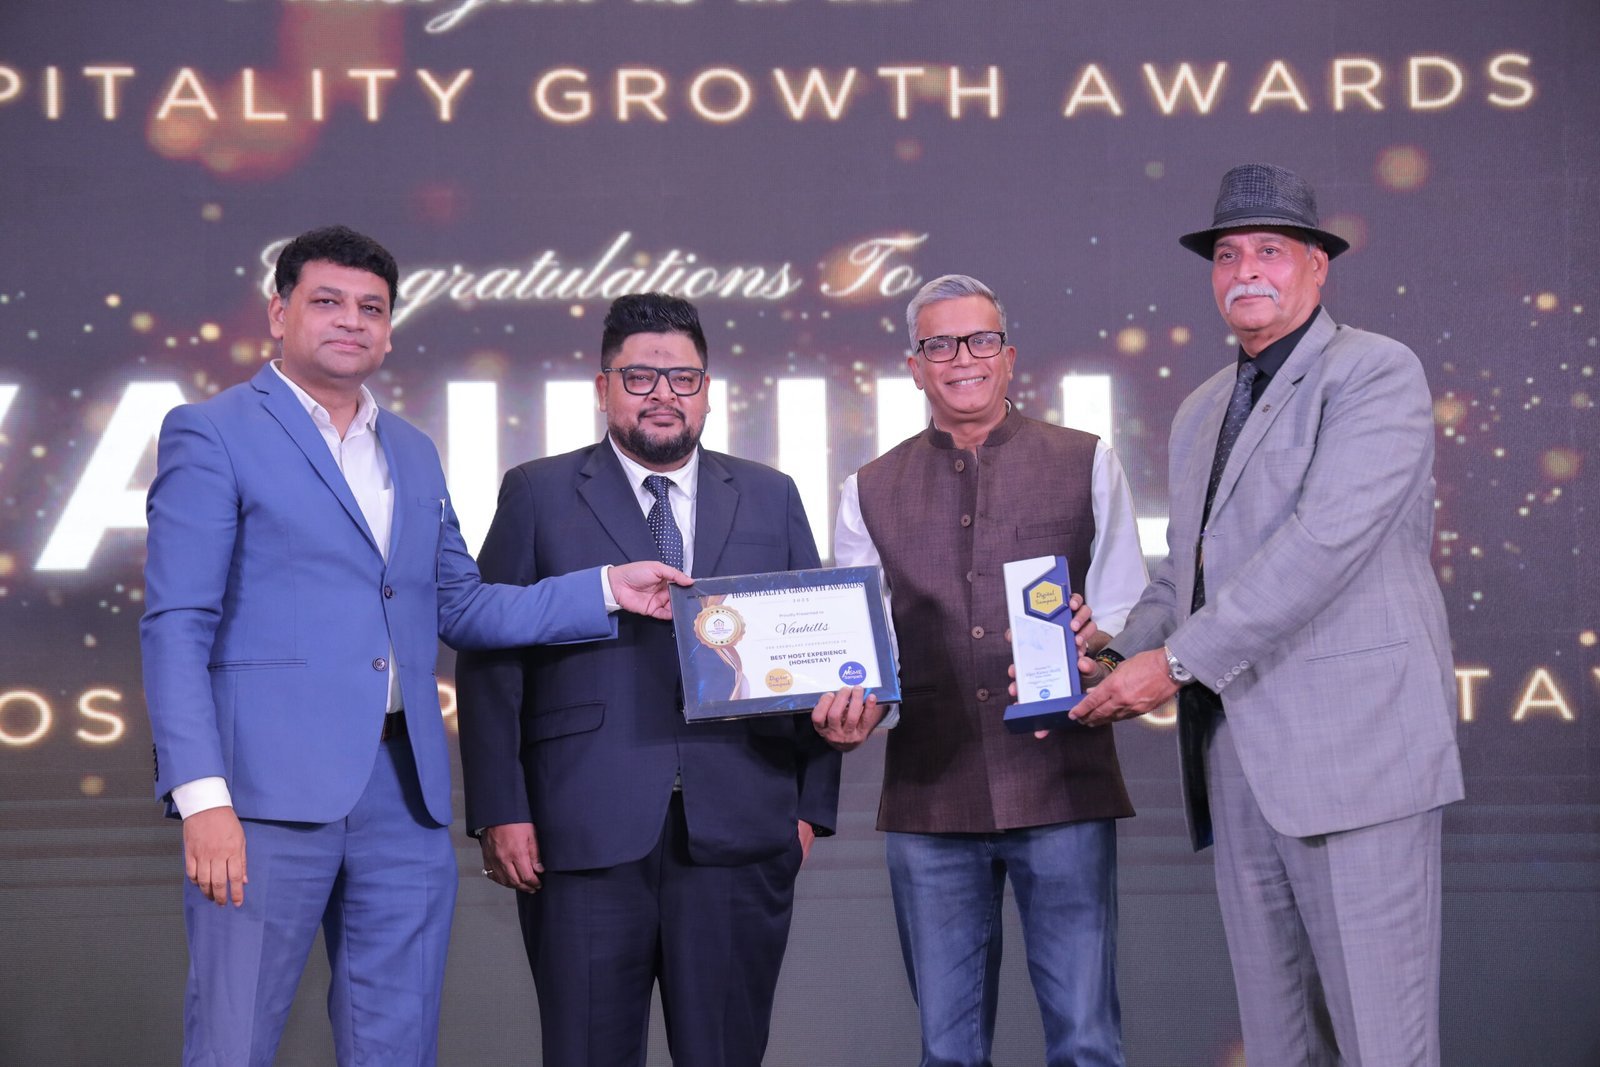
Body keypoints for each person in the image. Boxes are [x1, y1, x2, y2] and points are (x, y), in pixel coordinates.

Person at [140, 225, 687, 1067]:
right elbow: (177, 623)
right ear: (279, 313)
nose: (351, 320)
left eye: (372, 307)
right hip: (259, 797)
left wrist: (607, 588)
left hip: (404, 792)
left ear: (390, 330)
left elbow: (461, 604)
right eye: (327, 301)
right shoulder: (211, 432)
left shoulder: (412, 449)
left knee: (398, 1043)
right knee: (233, 1040)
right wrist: (202, 796)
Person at [1073, 163, 1465, 1065]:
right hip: (1239, 761)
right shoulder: (1203, 408)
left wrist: (1172, 665)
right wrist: (1111, 654)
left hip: (1359, 761)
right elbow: (1186, 573)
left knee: (1382, 1043)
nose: (1245, 268)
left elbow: (1323, 544)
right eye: (1227, 254)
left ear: (1317, 267)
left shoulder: (1375, 372)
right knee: (1283, 1046)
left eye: (1270, 250)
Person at [454, 292, 841, 1067]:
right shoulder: (536, 491)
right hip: (581, 829)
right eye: (640, 377)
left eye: (683, 378)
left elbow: (819, 654)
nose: (664, 394)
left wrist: (809, 809)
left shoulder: (771, 494)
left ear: (707, 390)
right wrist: (501, 807)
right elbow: (490, 654)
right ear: (603, 388)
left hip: (740, 827)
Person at [815, 274, 1149, 1067]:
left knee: (1087, 1040)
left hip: (1064, 785)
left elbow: (1130, 612)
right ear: (914, 366)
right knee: (947, 1050)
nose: (962, 358)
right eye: (940, 345)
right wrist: (856, 710)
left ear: (1008, 356)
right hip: (930, 797)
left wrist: (1098, 652)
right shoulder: (868, 489)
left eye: (981, 340)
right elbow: (866, 652)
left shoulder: (1085, 459)